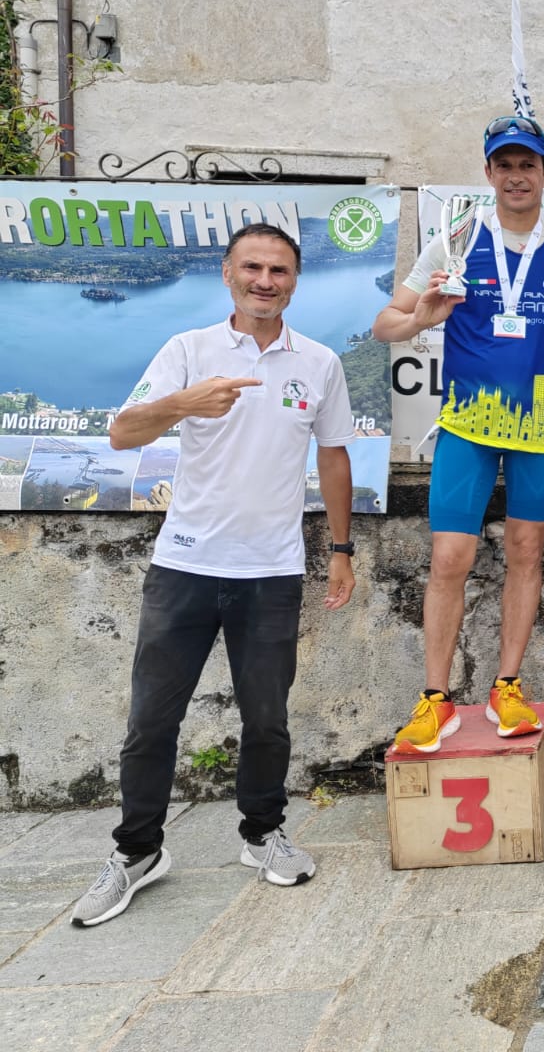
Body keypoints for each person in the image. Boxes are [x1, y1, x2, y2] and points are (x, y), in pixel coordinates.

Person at [72, 223, 356, 927]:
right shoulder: (188, 350)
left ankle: (263, 834)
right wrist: (184, 403)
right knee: (151, 720)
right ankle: (137, 851)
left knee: (267, 719)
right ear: (227, 274)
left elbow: (334, 457)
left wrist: (342, 548)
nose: (265, 281)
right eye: (252, 268)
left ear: (295, 281)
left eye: (279, 270)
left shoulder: (319, 362)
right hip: (185, 565)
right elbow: (123, 432)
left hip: (272, 569)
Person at [374, 116, 544, 752]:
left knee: (526, 552)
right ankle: (436, 699)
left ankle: (506, 686)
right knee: (449, 557)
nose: (516, 176)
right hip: (468, 424)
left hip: (540, 427)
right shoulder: (455, 243)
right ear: (488, 173)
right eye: (504, 165)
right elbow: (384, 324)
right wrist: (420, 318)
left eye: (527, 164)